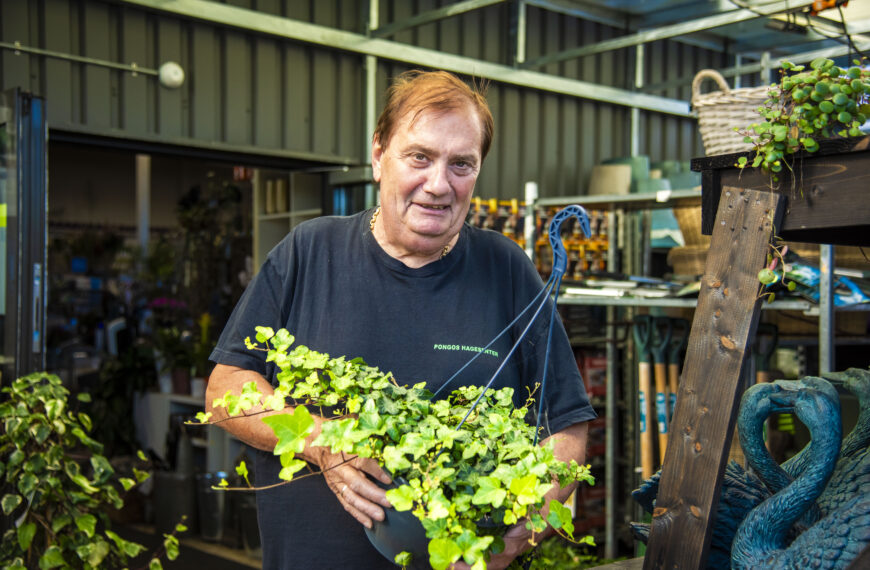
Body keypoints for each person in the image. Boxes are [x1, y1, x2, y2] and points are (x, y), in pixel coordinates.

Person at [206, 70, 596, 569]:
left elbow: (566, 428)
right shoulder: (308, 252)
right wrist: (320, 442)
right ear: (378, 155)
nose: (438, 185)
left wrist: (513, 539)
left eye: (461, 164)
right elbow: (223, 390)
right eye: (420, 157)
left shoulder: (507, 269)